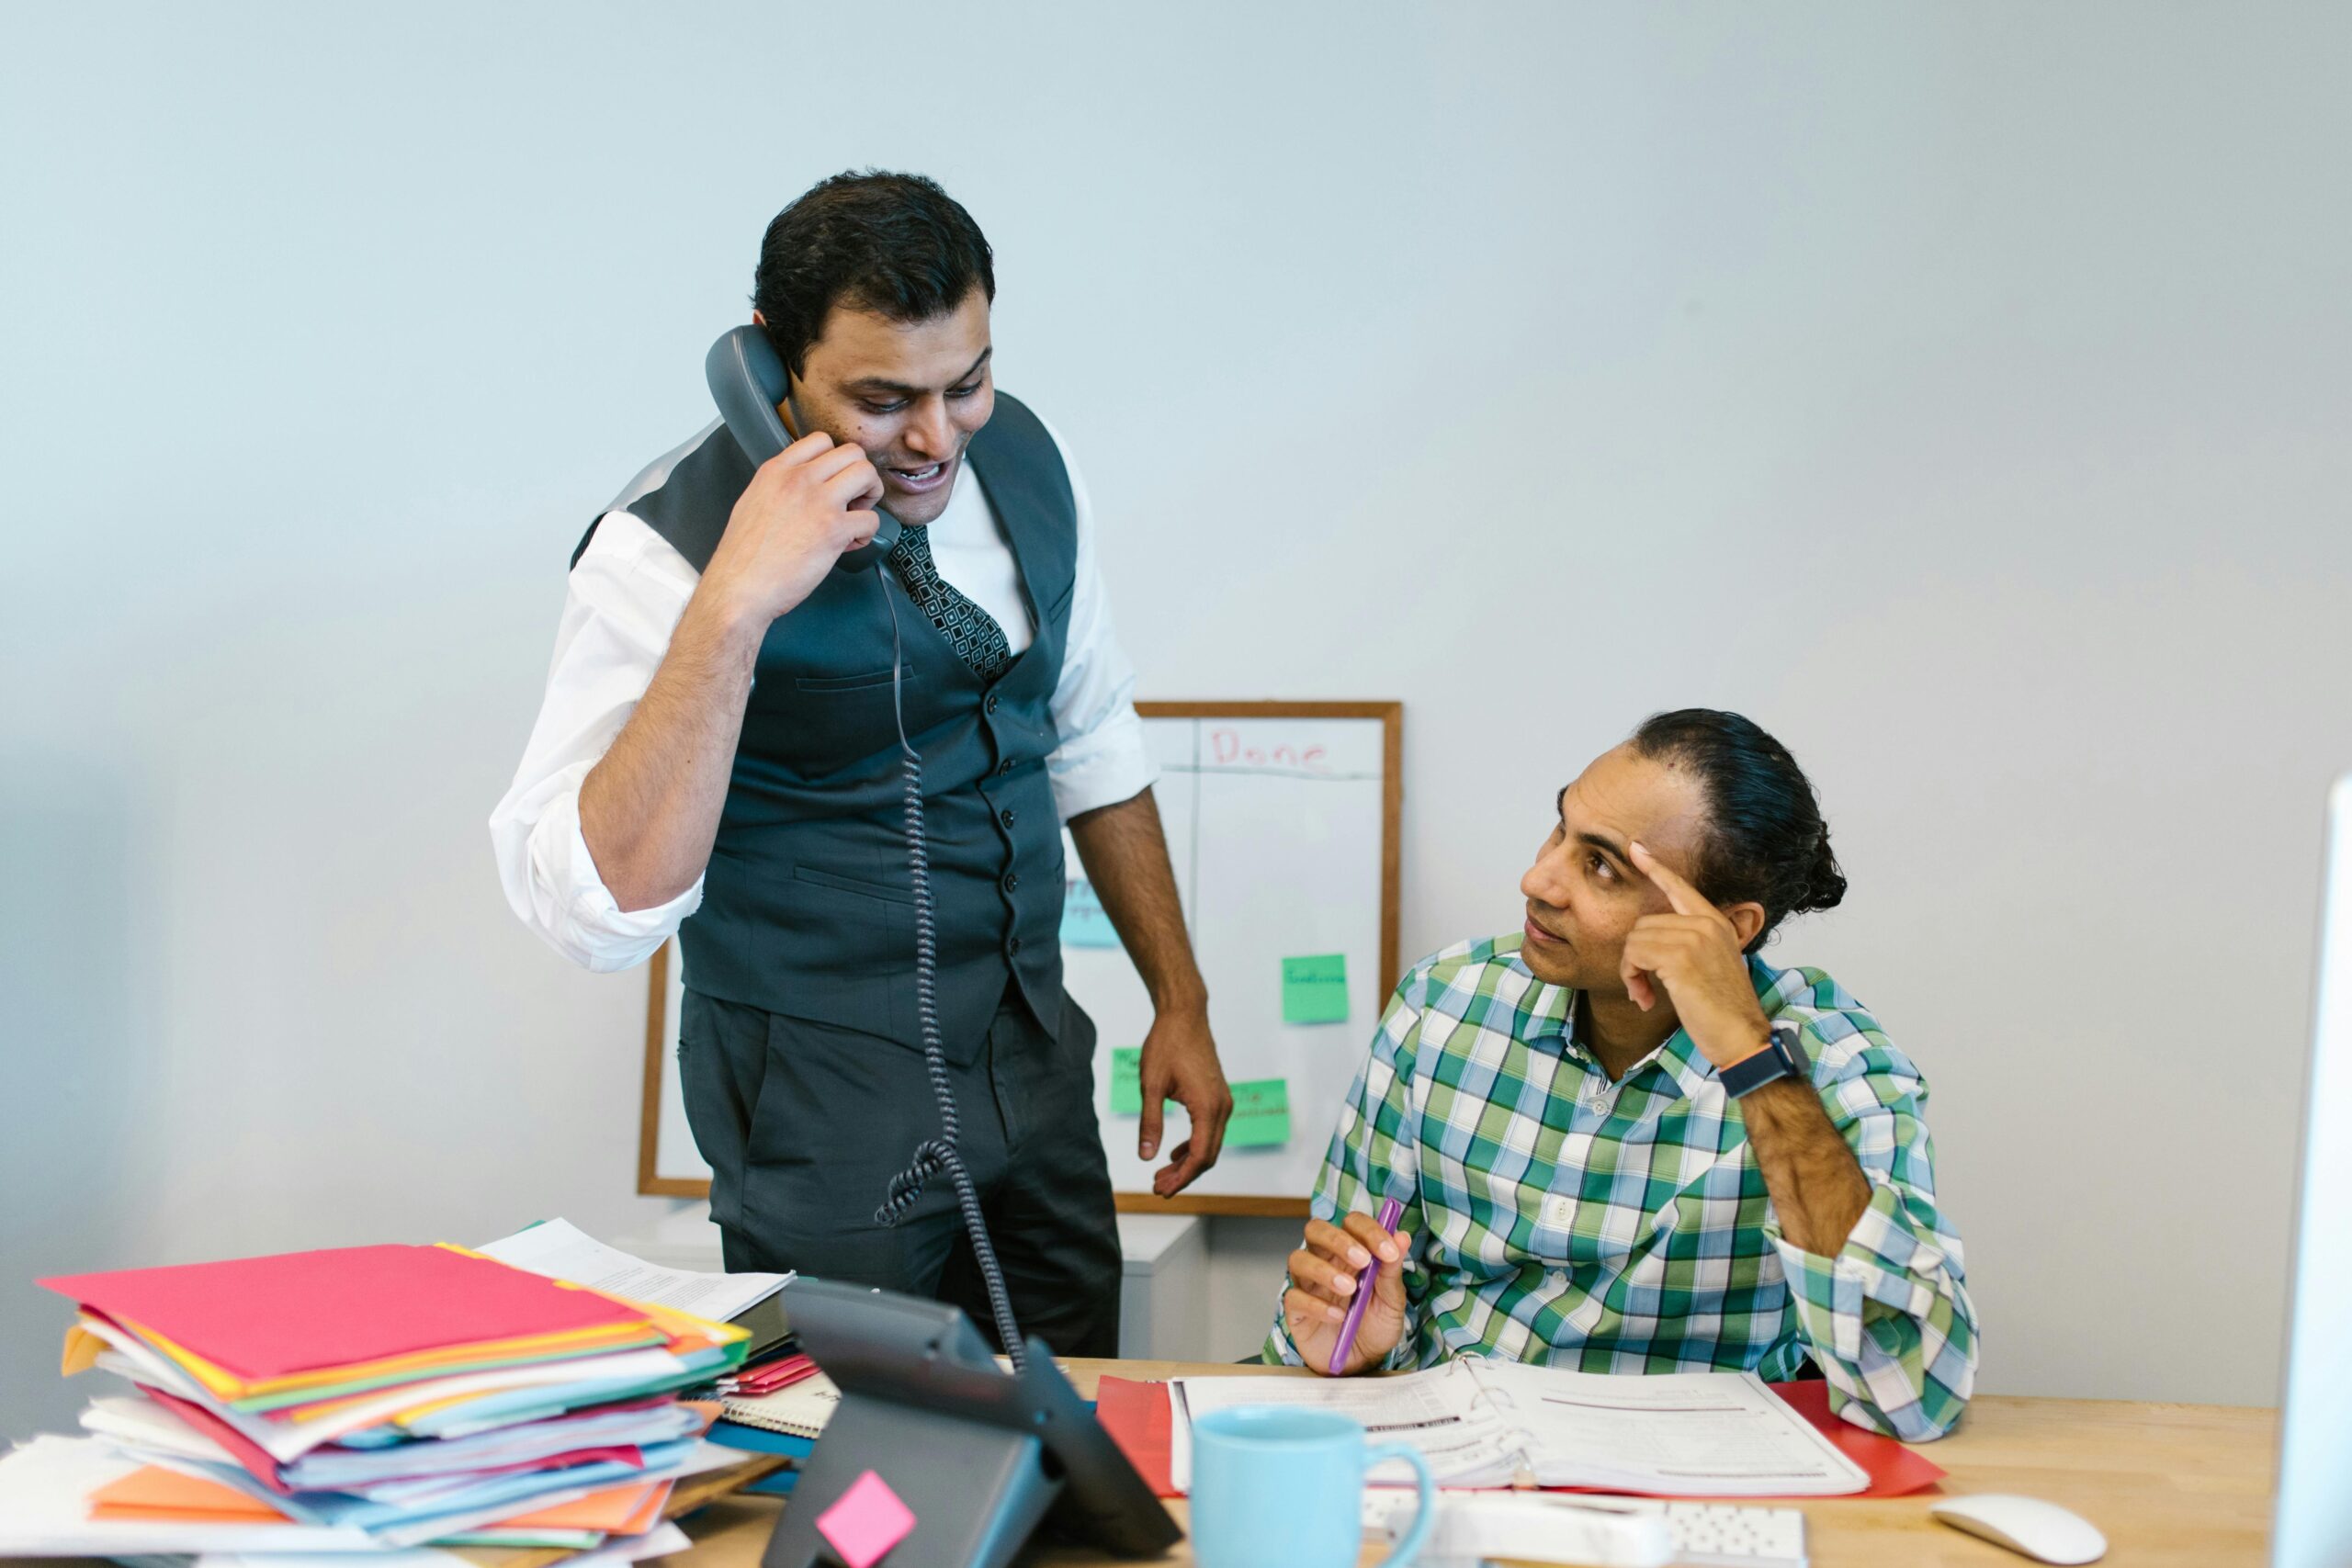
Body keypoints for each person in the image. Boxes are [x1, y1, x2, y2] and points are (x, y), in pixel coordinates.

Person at [492, 171, 1231, 1355]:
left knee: (1081, 1412)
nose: (937, 439)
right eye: (886, 399)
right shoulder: (658, 554)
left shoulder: (1030, 463)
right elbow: (593, 916)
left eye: (967, 383)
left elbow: (1089, 733)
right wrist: (732, 607)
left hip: (1034, 1060)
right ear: (770, 364)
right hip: (819, 1094)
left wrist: (1179, 1001)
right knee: (870, 1469)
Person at [1265, 709, 1976, 1440]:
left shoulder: (1836, 1067)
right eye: (1560, 830)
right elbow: (1334, 1307)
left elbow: (1914, 1392)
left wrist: (1751, 1057)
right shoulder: (1445, 1003)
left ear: (1727, 928)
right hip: (1458, 1453)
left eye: (1600, 864)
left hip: (1696, 1476)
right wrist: (1358, 1348)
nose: (1537, 879)